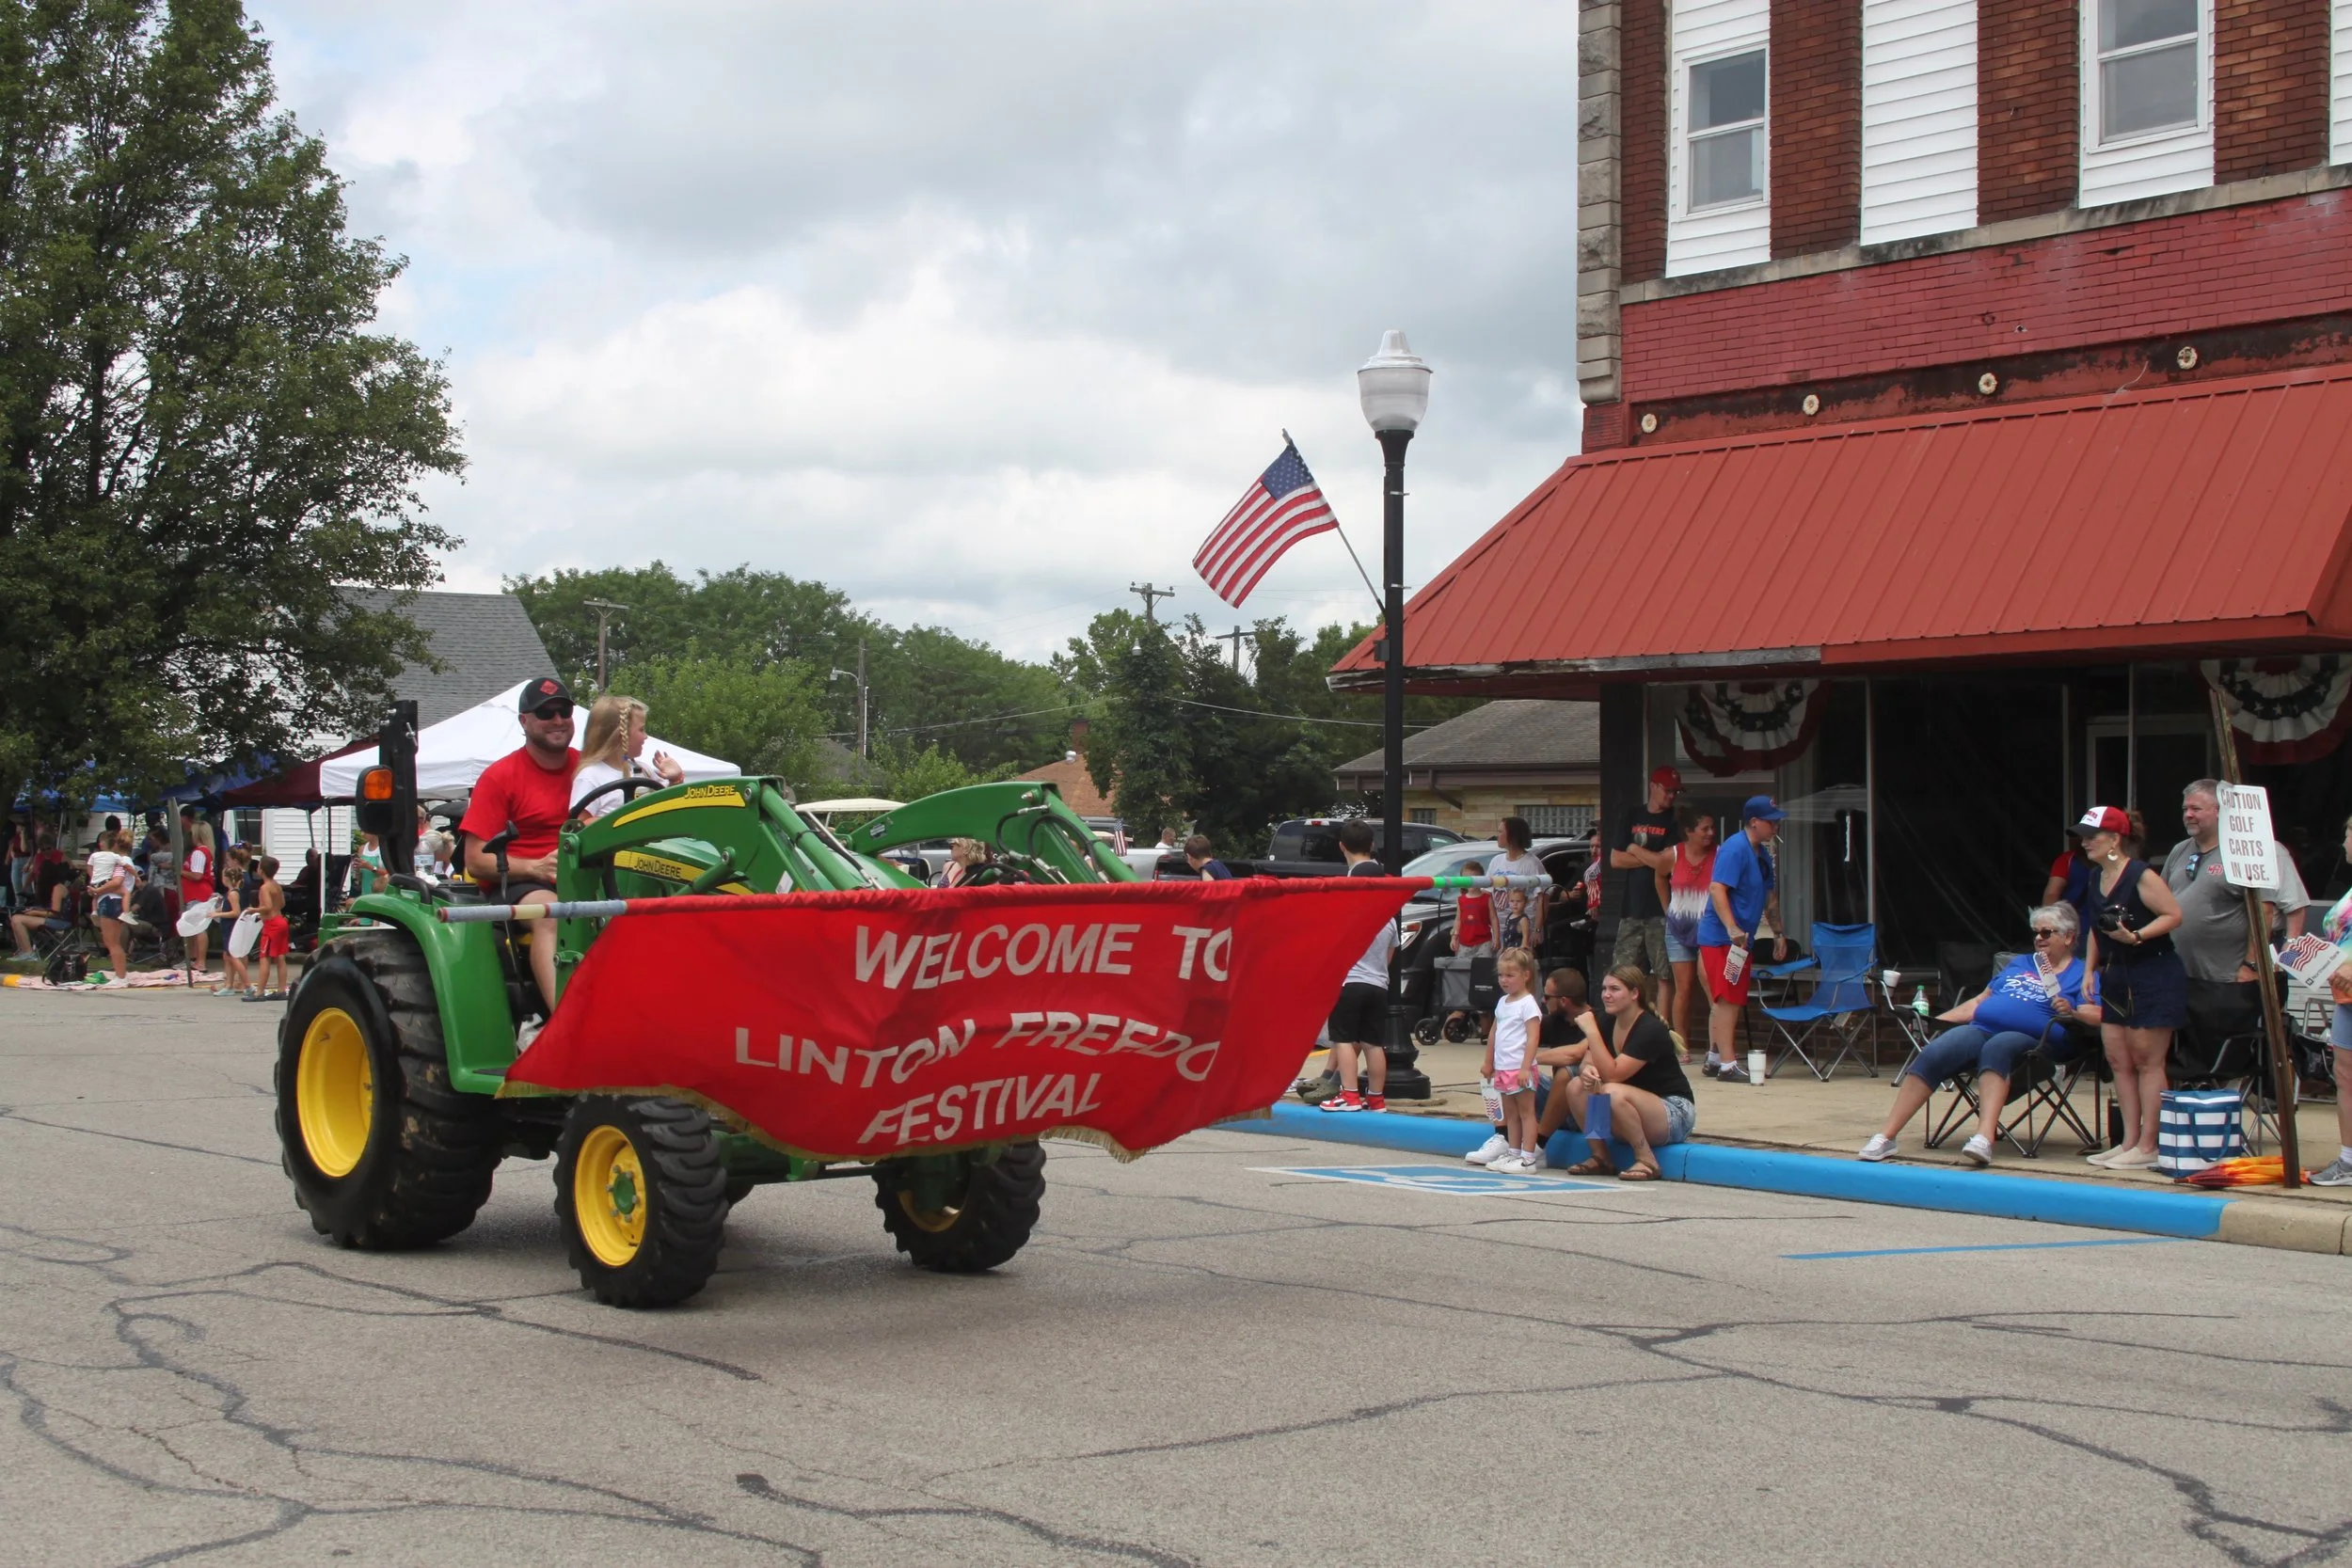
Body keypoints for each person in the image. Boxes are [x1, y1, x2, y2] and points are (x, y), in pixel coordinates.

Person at [1859, 904, 2101, 1166]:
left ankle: (1984, 1138)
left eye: (2046, 932)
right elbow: (1978, 1003)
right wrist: (1935, 1022)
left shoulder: (2082, 973)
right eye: (2036, 933)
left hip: (2038, 1044)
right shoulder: (2020, 963)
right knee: (1937, 1051)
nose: (2039, 939)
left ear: (2068, 937)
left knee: (1999, 1046)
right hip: (1983, 1029)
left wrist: (2073, 1011)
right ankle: (1887, 1136)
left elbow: (2099, 1015)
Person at [459, 677, 581, 1019]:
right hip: (520, 883)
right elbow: (476, 860)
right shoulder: (501, 777)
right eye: (545, 713)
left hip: (585, 877)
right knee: (553, 914)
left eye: (563, 711)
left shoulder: (590, 770)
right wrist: (535, 867)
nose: (557, 720)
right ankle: (568, 1026)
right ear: (524, 721)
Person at [2075, 804, 2186, 1169]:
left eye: (2093, 837)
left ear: (2114, 840)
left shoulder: (2141, 874)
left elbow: (2173, 915)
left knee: (2146, 1058)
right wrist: (2090, 969)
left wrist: (2136, 936)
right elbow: (2095, 926)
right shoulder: (2095, 878)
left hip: (2152, 971)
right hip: (2115, 974)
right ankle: (2128, 1141)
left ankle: (2149, 1143)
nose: (2085, 843)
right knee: (2118, 1058)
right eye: (2083, 836)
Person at [1559, 962, 1697, 1180]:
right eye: (1604, 989)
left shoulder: (1649, 1029)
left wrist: (1591, 1031)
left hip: (1673, 1113)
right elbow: (1587, 1061)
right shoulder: (1607, 1020)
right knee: (1577, 1085)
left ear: (1634, 993)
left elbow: (1614, 1075)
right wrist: (1587, 1070)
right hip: (1630, 1111)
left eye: (1615, 989)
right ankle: (1601, 1157)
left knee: (1611, 1090)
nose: (1606, 995)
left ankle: (1647, 1160)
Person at [1694, 796, 1788, 1083]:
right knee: (1727, 998)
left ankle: (1714, 1058)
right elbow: (1717, 888)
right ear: (1754, 822)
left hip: (1738, 942)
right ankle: (1728, 1064)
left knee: (1730, 997)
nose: (1776, 826)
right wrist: (1732, 927)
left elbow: (1770, 898)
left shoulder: (1762, 856)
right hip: (1722, 939)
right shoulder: (1736, 848)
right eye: (1771, 821)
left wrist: (1778, 933)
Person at [1469, 966, 1594, 1164]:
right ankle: (1503, 1136)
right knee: (1494, 1074)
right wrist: (1495, 1062)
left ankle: (1538, 1146)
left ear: (1564, 1001)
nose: (1543, 1000)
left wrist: (1525, 1063)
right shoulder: (1554, 1020)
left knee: (1565, 1074)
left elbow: (1575, 1053)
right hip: (1557, 1101)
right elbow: (1512, 1033)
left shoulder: (1596, 1020)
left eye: (1547, 996)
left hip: (1585, 1105)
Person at [2163, 780, 2278, 990]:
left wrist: (2250, 964)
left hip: (2226, 980)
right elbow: (2160, 902)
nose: (2188, 815)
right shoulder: (2179, 850)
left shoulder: (2244, 852)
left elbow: (2264, 911)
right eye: (2185, 809)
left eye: (2196, 809)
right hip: (2178, 976)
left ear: (2218, 811)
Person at [1318, 819, 1394, 1113]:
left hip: (1351, 982)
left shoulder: (1348, 913)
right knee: (1374, 1044)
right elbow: (1390, 953)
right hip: (1379, 985)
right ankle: (1376, 1098)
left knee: (1344, 1040)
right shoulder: (1387, 917)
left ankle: (1349, 1095)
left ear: (1341, 846)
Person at [1610, 765, 1684, 1021]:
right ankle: (1626, 1026)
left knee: (1664, 974)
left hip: (1661, 909)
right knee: (1624, 973)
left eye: (1676, 792)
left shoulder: (1675, 821)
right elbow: (1616, 860)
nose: (1672, 796)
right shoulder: (1632, 815)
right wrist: (1653, 858)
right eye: (1668, 790)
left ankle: (1662, 1030)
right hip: (1632, 908)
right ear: (1653, 786)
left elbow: (1668, 863)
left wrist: (1634, 848)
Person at [2311, 813, 2352, 1185]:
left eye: (2349, 833)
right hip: (2346, 997)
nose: (2344, 842)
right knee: (2345, 1076)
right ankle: (2349, 1160)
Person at [1480, 948, 1548, 1171]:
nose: (1504, 980)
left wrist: (1526, 1068)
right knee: (1511, 1114)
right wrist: (1489, 1062)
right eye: (1501, 975)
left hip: (1520, 1068)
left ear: (1526, 975)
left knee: (1526, 1112)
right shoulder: (1503, 1003)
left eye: (1510, 975)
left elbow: (1533, 1037)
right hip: (1503, 1067)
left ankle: (1528, 1157)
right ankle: (1513, 1152)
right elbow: (1494, 1033)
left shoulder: (1528, 1004)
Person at [570, 693, 687, 818]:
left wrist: (675, 780)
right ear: (620, 734)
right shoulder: (591, 776)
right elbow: (580, 824)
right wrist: (624, 822)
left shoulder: (643, 771)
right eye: (641, 730)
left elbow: (667, 807)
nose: (646, 736)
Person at [1663, 809, 1719, 1067]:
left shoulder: (1719, 855)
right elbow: (1658, 878)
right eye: (1704, 829)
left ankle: (1716, 1046)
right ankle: (1681, 1046)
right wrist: (1668, 910)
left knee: (1710, 984)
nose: (1710, 833)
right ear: (1689, 831)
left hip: (1708, 928)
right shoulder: (1673, 854)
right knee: (1683, 988)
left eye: (1711, 828)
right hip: (1678, 928)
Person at [1437, 858, 1491, 1031]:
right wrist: (1455, 936)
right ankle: (1460, 1011)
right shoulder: (1461, 900)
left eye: (1475, 878)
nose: (1471, 883)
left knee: (1483, 975)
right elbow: (1458, 919)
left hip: (1483, 941)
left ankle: (1485, 1023)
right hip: (1465, 942)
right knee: (1461, 974)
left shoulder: (1486, 898)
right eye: (1467, 879)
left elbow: (1494, 919)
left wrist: (1496, 937)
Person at [9, 831, 73, 958]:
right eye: (42, 849)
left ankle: (29, 953)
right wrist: (25, 889)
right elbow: (32, 874)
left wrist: (34, 912)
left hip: (59, 921)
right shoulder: (39, 860)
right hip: (49, 914)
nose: (45, 851)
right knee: (15, 917)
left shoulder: (58, 888)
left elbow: (55, 913)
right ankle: (23, 951)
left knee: (17, 919)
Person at [1487, 816, 1547, 950]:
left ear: (1513, 835)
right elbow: (1488, 895)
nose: (1497, 835)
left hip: (1523, 932)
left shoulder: (1531, 863)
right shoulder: (1496, 861)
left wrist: (1537, 930)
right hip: (1499, 931)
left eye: (1501, 831)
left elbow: (1542, 900)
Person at [88, 828, 135, 979]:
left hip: (110, 900)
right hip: (108, 899)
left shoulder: (120, 862)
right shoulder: (116, 861)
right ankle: (119, 974)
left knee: (112, 942)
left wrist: (98, 890)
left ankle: (121, 977)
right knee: (111, 942)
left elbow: (116, 882)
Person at [180, 818, 217, 978]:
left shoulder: (199, 852)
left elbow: (197, 875)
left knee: (199, 928)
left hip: (198, 893)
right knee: (196, 927)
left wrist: (180, 872)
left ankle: (200, 961)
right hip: (198, 892)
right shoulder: (205, 851)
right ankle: (196, 959)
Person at [251, 856, 290, 999]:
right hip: (281, 921)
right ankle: (281, 990)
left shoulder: (264, 887)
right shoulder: (276, 885)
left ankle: (259, 992)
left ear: (261, 870)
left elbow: (266, 907)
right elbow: (282, 903)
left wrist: (253, 910)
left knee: (264, 957)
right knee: (280, 957)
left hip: (271, 924)